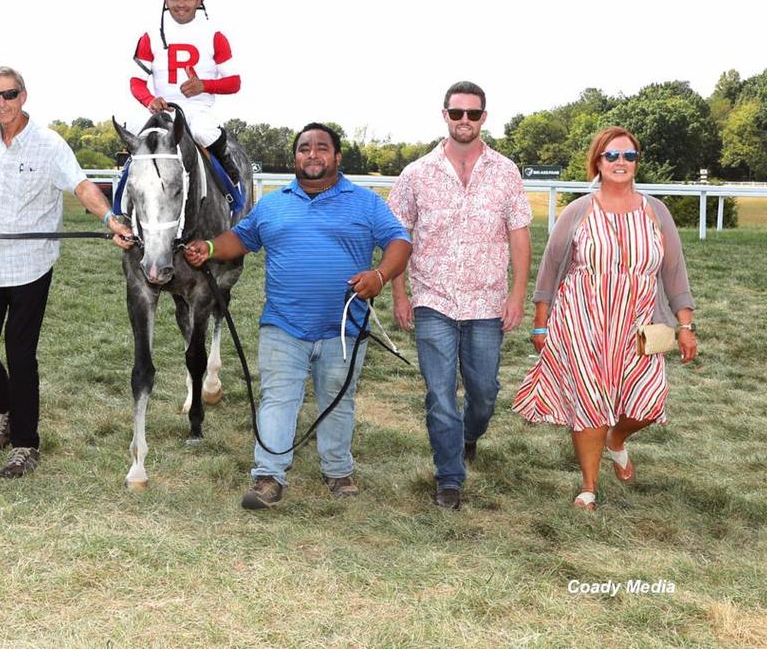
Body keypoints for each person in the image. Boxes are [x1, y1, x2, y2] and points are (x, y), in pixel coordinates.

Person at [184, 123, 411, 510]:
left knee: (338, 402)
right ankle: (268, 477)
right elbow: (240, 238)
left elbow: (399, 242)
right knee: (277, 400)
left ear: (337, 157)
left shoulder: (366, 202)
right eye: (304, 148)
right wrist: (208, 246)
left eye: (322, 148)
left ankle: (338, 470)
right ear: (296, 158)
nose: (312, 154)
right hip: (283, 325)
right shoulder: (273, 203)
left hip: (343, 328)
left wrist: (379, 275)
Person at [0, 66, 134, 478]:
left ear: (24, 94)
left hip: (30, 265)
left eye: (9, 94)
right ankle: (8, 408)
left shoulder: (50, 145)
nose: (2, 103)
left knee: (21, 356)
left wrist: (111, 220)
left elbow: (83, 187)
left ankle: (26, 443)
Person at [511, 126, 697, 511]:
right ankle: (589, 486)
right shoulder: (578, 211)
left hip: (644, 322)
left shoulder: (655, 211)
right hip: (582, 319)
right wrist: (541, 322)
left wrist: (685, 325)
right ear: (598, 161)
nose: (620, 163)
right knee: (591, 402)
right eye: (612, 155)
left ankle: (616, 439)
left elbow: (674, 272)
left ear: (636, 163)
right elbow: (550, 270)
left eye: (629, 156)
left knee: (648, 402)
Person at [388, 81, 532, 511]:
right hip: (433, 300)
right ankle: (449, 477)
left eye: (473, 114)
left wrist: (517, 293)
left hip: (487, 302)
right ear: (445, 115)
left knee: (484, 391)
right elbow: (398, 236)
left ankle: (469, 435)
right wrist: (400, 294)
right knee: (439, 394)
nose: (464, 121)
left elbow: (519, 236)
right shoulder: (416, 174)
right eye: (457, 114)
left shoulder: (506, 172)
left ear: (484, 117)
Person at [130, 0, 243, 184]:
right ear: (166, 0)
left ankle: (229, 177)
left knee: (203, 131)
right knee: (133, 128)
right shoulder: (150, 35)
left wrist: (204, 86)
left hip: (197, 111)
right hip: (163, 111)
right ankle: (125, 198)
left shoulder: (215, 34)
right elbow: (136, 81)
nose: (181, 4)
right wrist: (149, 99)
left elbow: (234, 83)